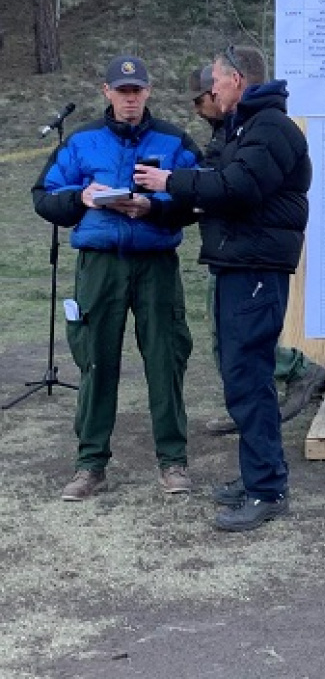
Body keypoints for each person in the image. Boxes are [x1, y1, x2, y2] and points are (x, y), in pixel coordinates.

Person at [137, 44, 311, 531]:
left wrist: (172, 180)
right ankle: (260, 475)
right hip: (237, 263)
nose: (210, 90)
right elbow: (218, 192)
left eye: (215, 80)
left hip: (256, 267)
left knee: (249, 375)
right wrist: (157, 203)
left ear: (237, 79)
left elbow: (237, 189)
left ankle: (267, 490)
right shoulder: (242, 128)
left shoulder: (271, 128)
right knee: (241, 376)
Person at [32, 56, 200, 501]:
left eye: (137, 91)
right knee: (95, 361)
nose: (130, 99)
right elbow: (44, 195)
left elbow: (199, 196)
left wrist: (157, 207)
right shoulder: (83, 140)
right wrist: (81, 197)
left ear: (148, 92)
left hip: (156, 265)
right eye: (122, 91)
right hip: (99, 264)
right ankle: (90, 465)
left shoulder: (175, 141)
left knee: (166, 359)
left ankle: (173, 461)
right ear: (106, 91)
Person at [185, 64, 325, 434]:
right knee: (229, 347)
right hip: (228, 251)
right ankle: (249, 420)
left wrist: (196, 188)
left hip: (251, 257)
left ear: (232, 84)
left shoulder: (261, 131)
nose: (201, 107)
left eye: (204, 97)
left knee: (241, 348)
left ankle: (298, 371)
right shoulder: (228, 133)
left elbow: (239, 188)